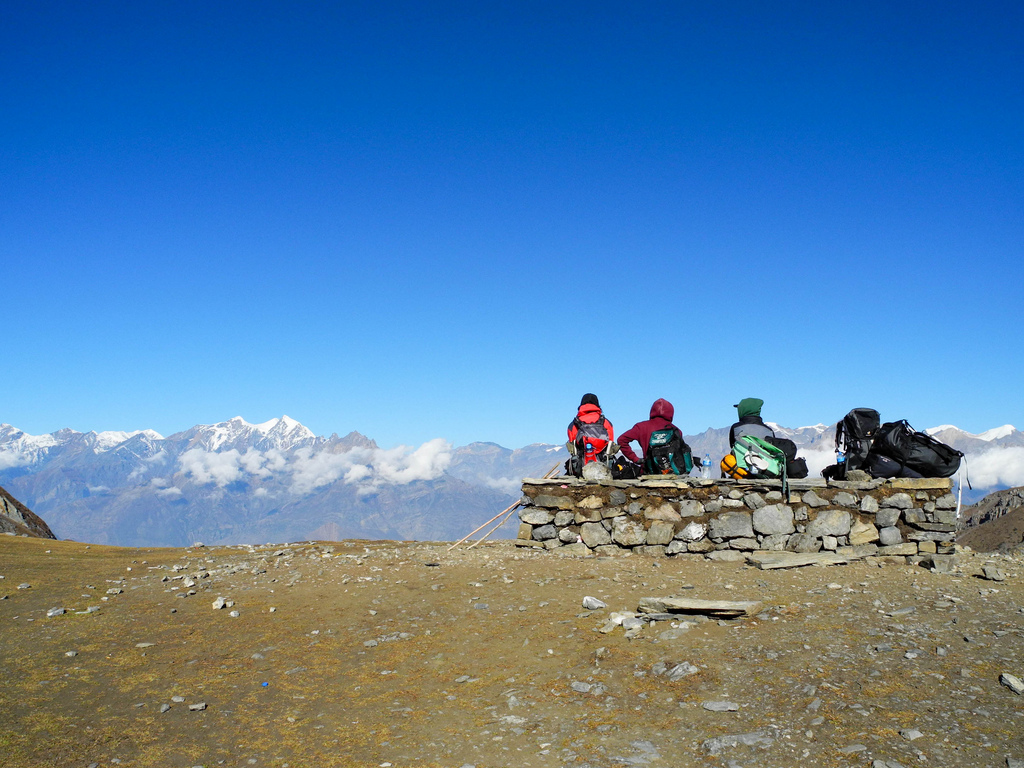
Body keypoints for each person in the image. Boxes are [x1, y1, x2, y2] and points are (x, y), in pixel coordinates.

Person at [618, 398, 694, 475]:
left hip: (648, 473)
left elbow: (621, 440)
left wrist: (635, 459)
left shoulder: (641, 427)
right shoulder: (676, 430)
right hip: (672, 474)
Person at [566, 394, 614, 476]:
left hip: (581, 465)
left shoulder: (574, 423)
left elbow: (572, 443)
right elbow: (611, 441)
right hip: (603, 463)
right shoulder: (605, 422)